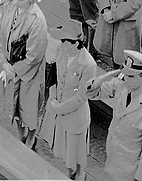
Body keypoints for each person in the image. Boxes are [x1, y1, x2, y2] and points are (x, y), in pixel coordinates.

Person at [87, 51, 142, 181]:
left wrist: (141, 178)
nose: (127, 79)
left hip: (130, 168)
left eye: (131, 76)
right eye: (126, 74)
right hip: (112, 154)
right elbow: (92, 94)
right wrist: (105, 76)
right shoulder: (122, 85)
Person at [0, 0, 48, 147]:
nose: (15, 1)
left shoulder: (37, 21)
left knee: (30, 109)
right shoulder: (9, 5)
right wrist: (3, 62)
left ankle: (31, 137)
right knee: (14, 105)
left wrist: (12, 70)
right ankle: (20, 134)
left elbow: (34, 57)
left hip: (29, 73)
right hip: (10, 65)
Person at [40, 23, 95, 180]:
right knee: (65, 156)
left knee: (76, 159)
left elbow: (81, 97)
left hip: (75, 115)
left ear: (76, 43)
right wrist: (52, 97)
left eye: (65, 41)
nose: (61, 44)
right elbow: (53, 78)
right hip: (58, 108)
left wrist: (59, 108)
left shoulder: (88, 64)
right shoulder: (61, 51)